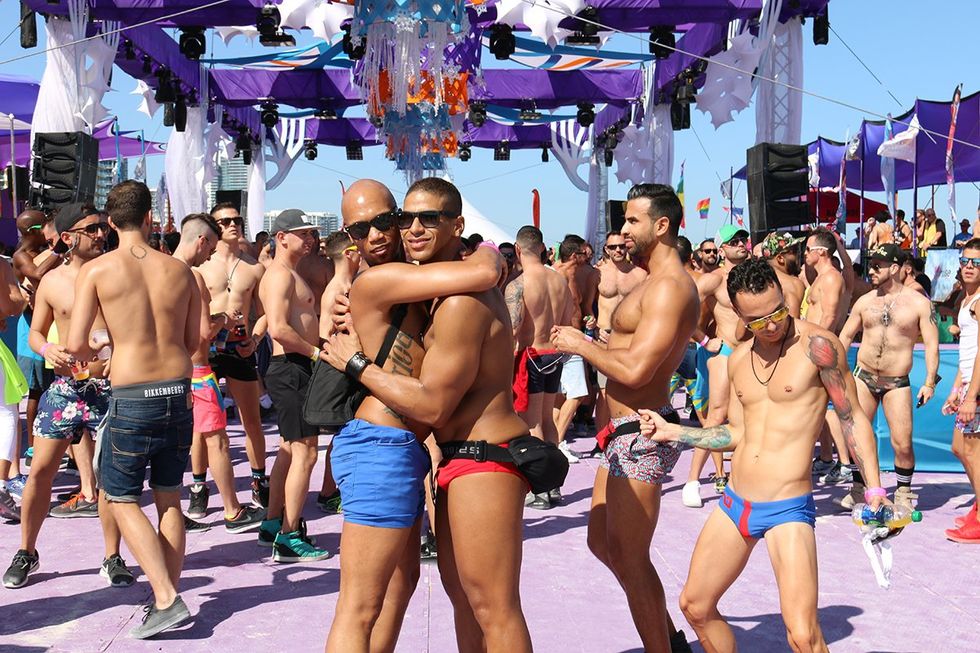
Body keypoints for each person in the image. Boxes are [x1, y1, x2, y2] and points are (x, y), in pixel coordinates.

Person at [324, 177, 535, 653]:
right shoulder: (384, 281)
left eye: (386, 221)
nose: (380, 234)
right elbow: (481, 272)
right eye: (361, 230)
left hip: (437, 450)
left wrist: (486, 252)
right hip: (387, 443)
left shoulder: (436, 290)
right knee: (365, 605)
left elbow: (484, 269)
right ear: (348, 238)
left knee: (414, 592)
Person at [639, 257, 886, 653]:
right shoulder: (738, 361)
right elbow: (734, 433)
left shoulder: (819, 347)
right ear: (737, 314)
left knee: (803, 635)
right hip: (735, 503)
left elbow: (852, 418)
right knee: (695, 606)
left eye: (777, 312)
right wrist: (675, 432)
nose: (771, 325)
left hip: (787, 507)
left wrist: (874, 492)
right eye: (757, 320)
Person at [551, 183, 698, 653]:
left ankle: (664, 645)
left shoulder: (671, 287)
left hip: (642, 432)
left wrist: (581, 344)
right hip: (620, 433)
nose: (624, 231)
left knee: (630, 558)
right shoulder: (652, 282)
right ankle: (665, 633)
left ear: (662, 225)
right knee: (603, 542)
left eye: (633, 221)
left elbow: (637, 369)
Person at [65, 181, 200, 638]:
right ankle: (166, 596)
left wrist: (109, 340)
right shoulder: (181, 271)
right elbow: (194, 340)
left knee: (120, 498)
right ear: (149, 218)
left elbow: (75, 344)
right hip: (177, 391)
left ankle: (165, 597)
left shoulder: (99, 270)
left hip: (132, 394)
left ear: (110, 222)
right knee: (168, 498)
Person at [3, 204, 132, 591]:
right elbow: (36, 332)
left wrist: (117, 354)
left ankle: (112, 556)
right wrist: (48, 351)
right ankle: (27, 550)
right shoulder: (53, 282)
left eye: (101, 228)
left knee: (111, 477)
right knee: (41, 471)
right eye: (90, 229)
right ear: (66, 237)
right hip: (65, 388)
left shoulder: (118, 274)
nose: (100, 234)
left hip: (110, 388)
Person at [173, 214, 266, 532]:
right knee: (216, 440)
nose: (209, 254)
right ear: (202, 240)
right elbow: (201, 333)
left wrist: (251, 338)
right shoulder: (194, 276)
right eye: (208, 247)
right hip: (199, 368)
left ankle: (175, 513)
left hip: (166, 372)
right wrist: (223, 319)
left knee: (175, 443)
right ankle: (232, 511)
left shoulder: (157, 269)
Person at [254, 210, 333, 563]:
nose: (311, 239)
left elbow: (269, 319)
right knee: (306, 453)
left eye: (313, 233)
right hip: (292, 367)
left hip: (293, 366)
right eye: (303, 233)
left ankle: (273, 523)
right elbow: (280, 329)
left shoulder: (286, 274)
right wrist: (317, 353)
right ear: (282, 236)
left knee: (289, 449)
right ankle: (289, 535)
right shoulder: (279, 275)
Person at [837, 244, 940, 510]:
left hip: (896, 381)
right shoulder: (865, 301)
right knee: (857, 437)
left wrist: (929, 381)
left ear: (894, 268)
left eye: (877, 266)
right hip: (864, 376)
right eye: (871, 265)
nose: (871, 270)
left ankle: (904, 491)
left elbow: (931, 343)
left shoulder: (918, 302)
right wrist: (833, 369)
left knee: (902, 442)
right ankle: (860, 488)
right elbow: (846, 336)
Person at [198, 202, 270, 507]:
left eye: (236, 219)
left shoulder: (254, 267)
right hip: (207, 348)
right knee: (203, 425)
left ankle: (259, 480)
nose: (232, 224)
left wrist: (254, 340)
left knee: (251, 417)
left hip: (240, 345)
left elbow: (265, 313)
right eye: (225, 221)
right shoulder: (201, 265)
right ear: (214, 227)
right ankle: (199, 488)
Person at [683, 224, 751, 508]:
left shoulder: (752, 275)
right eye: (733, 241)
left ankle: (739, 482)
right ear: (721, 248)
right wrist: (702, 339)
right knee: (716, 416)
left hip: (749, 353)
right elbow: (684, 307)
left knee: (745, 421)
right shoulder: (714, 279)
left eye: (743, 239)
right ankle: (692, 481)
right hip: (722, 351)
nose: (740, 244)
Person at [506, 225, 573, 509]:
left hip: (531, 356)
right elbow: (569, 321)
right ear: (543, 248)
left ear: (518, 250)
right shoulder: (559, 281)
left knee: (532, 422)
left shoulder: (518, 284)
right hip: (554, 354)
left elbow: (513, 329)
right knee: (548, 419)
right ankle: (554, 485)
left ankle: (541, 489)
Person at [12, 210, 61, 469]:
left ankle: (45, 442)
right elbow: (38, 275)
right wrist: (59, 250)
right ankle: (32, 447)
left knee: (46, 389)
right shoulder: (21, 256)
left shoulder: (37, 254)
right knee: (35, 392)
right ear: (33, 230)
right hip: (30, 331)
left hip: (44, 328)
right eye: (44, 226)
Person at [594, 230, 647, 441]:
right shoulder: (597, 273)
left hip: (628, 339)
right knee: (604, 393)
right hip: (603, 337)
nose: (618, 250)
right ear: (606, 249)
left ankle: (628, 436)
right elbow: (585, 303)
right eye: (613, 247)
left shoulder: (640, 275)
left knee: (631, 389)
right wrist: (592, 324)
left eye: (621, 246)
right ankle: (602, 440)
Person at [944, 240, 980, 543]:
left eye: (976, 263)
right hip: (970, 384)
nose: (969, 266)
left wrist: (971, 395)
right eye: (966, 260)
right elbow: (965, 352)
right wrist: (956, 389)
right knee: (960, 448)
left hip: (978, 388)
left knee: (972, 450)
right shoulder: (967, 300)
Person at [551, 234, 595, 462]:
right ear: (574, 255)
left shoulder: (572, 274)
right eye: (584, 253)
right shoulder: (558, 274)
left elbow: (577, 306)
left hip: (571, 338)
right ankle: (557, 444)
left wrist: (587, 320)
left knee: (561, 397)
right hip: (567, 340)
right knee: (578, 394)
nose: (587, 256)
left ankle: (556, 442)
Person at [761, 232, 806, 318]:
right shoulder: (793, 283)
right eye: (795, 251)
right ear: (780, 258)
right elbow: (793, 326)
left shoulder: (756, 283)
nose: (799, 255)